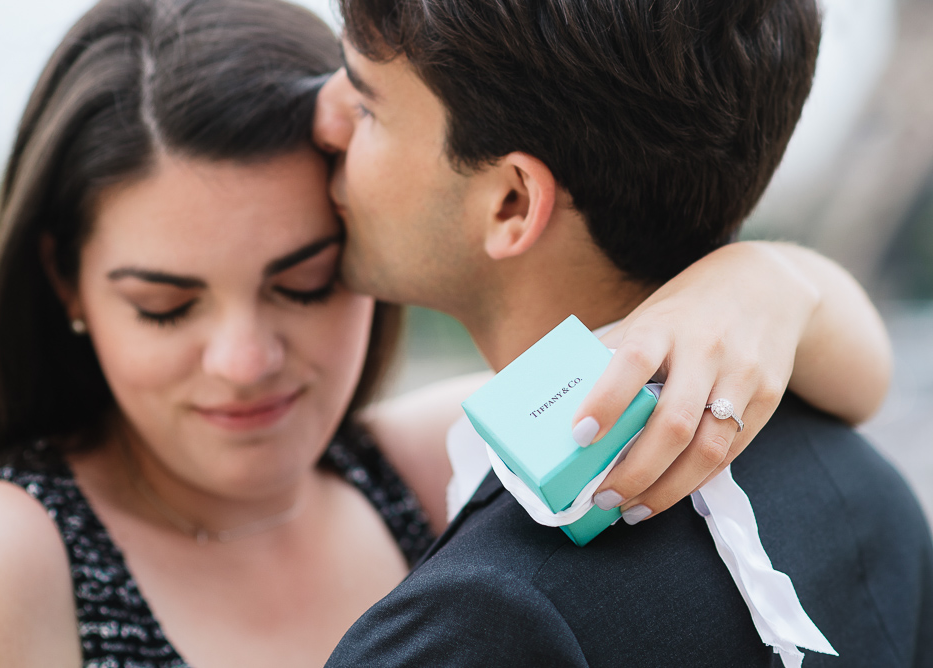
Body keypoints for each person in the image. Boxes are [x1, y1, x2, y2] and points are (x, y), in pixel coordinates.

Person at [0, 0, 906, 667]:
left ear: (511, 201)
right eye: (164, 304)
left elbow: (844, 364)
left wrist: (769, 282)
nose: (240, 359)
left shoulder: (444, 466)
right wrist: (774, 277)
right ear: (63, 278)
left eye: (305, 279)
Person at [315, 0, 933, 665]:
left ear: (512, 202)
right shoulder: (871, 490)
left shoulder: (471, 624)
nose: (324, 119)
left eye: (367, 106)